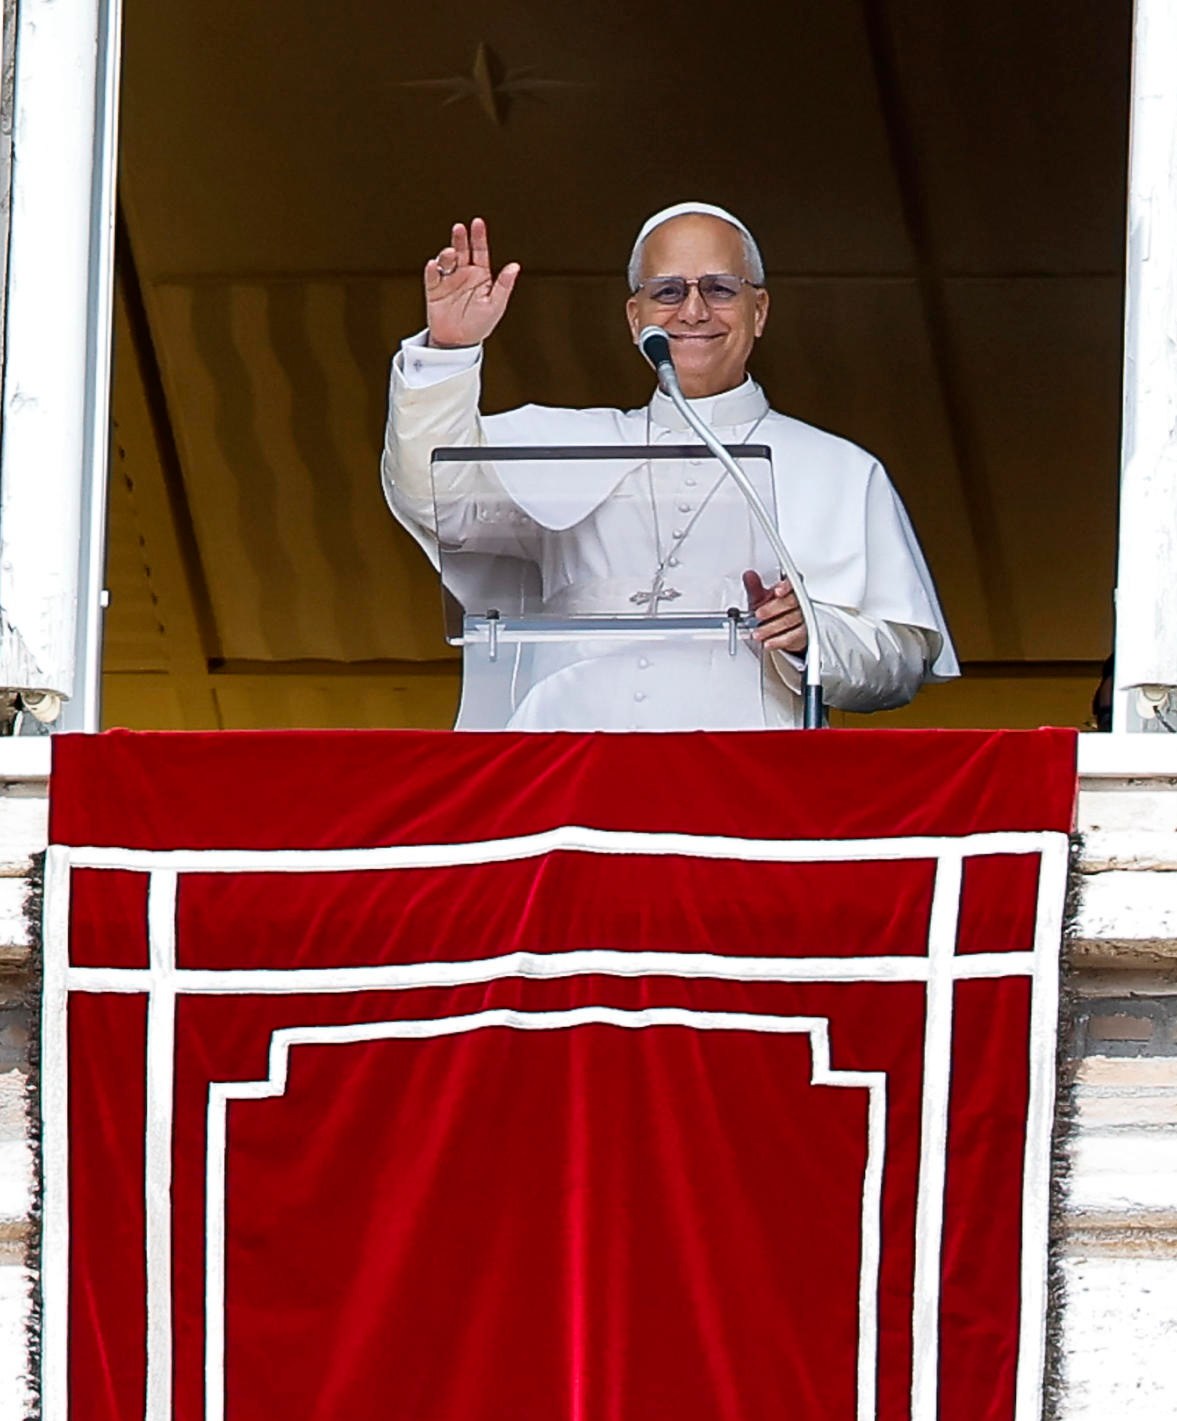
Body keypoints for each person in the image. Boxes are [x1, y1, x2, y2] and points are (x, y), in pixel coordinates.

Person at [382, 201, 958, 729]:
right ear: (635, 318)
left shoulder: (838, 469)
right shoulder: (561, 443)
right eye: (667, 292)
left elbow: (901, 660)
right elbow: (434, 496)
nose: (694, 310)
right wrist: (449, 351)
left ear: (759, 310)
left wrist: (816, 636)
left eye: (720, 288)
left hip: (743, 783)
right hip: (563, 766)